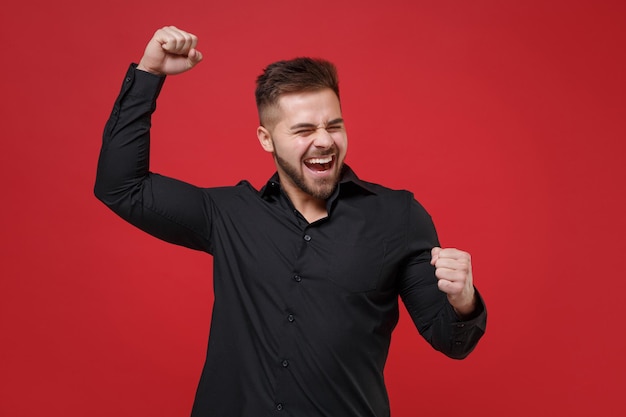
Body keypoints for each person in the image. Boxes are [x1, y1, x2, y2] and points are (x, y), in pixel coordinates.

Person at [95, 26, 487, 417]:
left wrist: (463, 301)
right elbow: (121, 186)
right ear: (266, 139)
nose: (324, 141)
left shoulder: (399, 216)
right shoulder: (229, 214)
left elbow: (451, 341)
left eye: (333, 126)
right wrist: (149, 73)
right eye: (303, 130)